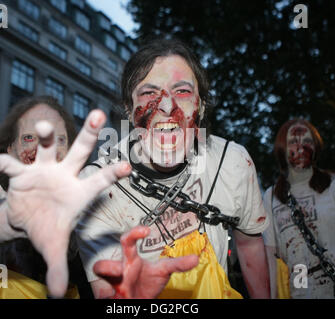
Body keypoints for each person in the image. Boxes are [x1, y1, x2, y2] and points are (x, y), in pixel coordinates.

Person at [0, 95, 197, 298]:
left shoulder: (86, 218)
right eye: (29, 136)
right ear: (9, 149)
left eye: (58, 140)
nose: (43, 146)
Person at [74, 38, 271, 299]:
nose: (167, 106)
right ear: (129, 110)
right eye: (149, 93)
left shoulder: (232, 163)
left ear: (200, 106)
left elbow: (249, 247)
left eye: (182, 91)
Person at [263, 119, 335, 299]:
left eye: (307, 141)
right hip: (303, 292)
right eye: (293, 142)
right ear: (281, 149)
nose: (301, 147)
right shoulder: (271, 197)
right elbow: (269, 257)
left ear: (315, 147)